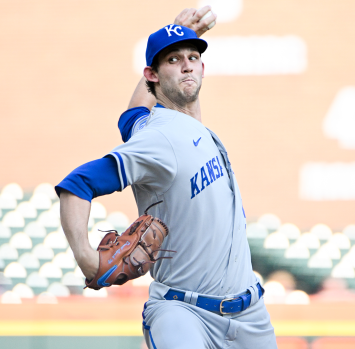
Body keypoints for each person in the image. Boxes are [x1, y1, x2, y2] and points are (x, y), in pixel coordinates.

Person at [56, 7, 277, 349]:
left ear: (203, 67)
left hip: (251, 316)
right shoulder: (159, 138)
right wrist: (86, 257)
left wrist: (176, 32)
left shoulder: (158, 126)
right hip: (184, 311)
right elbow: (78, 184)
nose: (187, 64)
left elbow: (130, 116)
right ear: (152, 75)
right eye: (173, 59)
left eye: (192, 56)